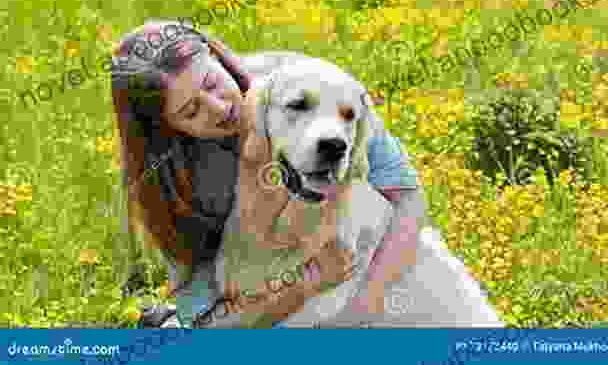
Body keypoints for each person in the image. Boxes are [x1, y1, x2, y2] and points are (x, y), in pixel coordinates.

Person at [111, 20, 426, 327]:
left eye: (210, 83)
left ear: (214, 55)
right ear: (167, 129)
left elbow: (406, 196)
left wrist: (365, 305)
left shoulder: (307, 85)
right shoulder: (173, 179)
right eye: (191, 111)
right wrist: (305, 283)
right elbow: (205, 323)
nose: (219, 108)